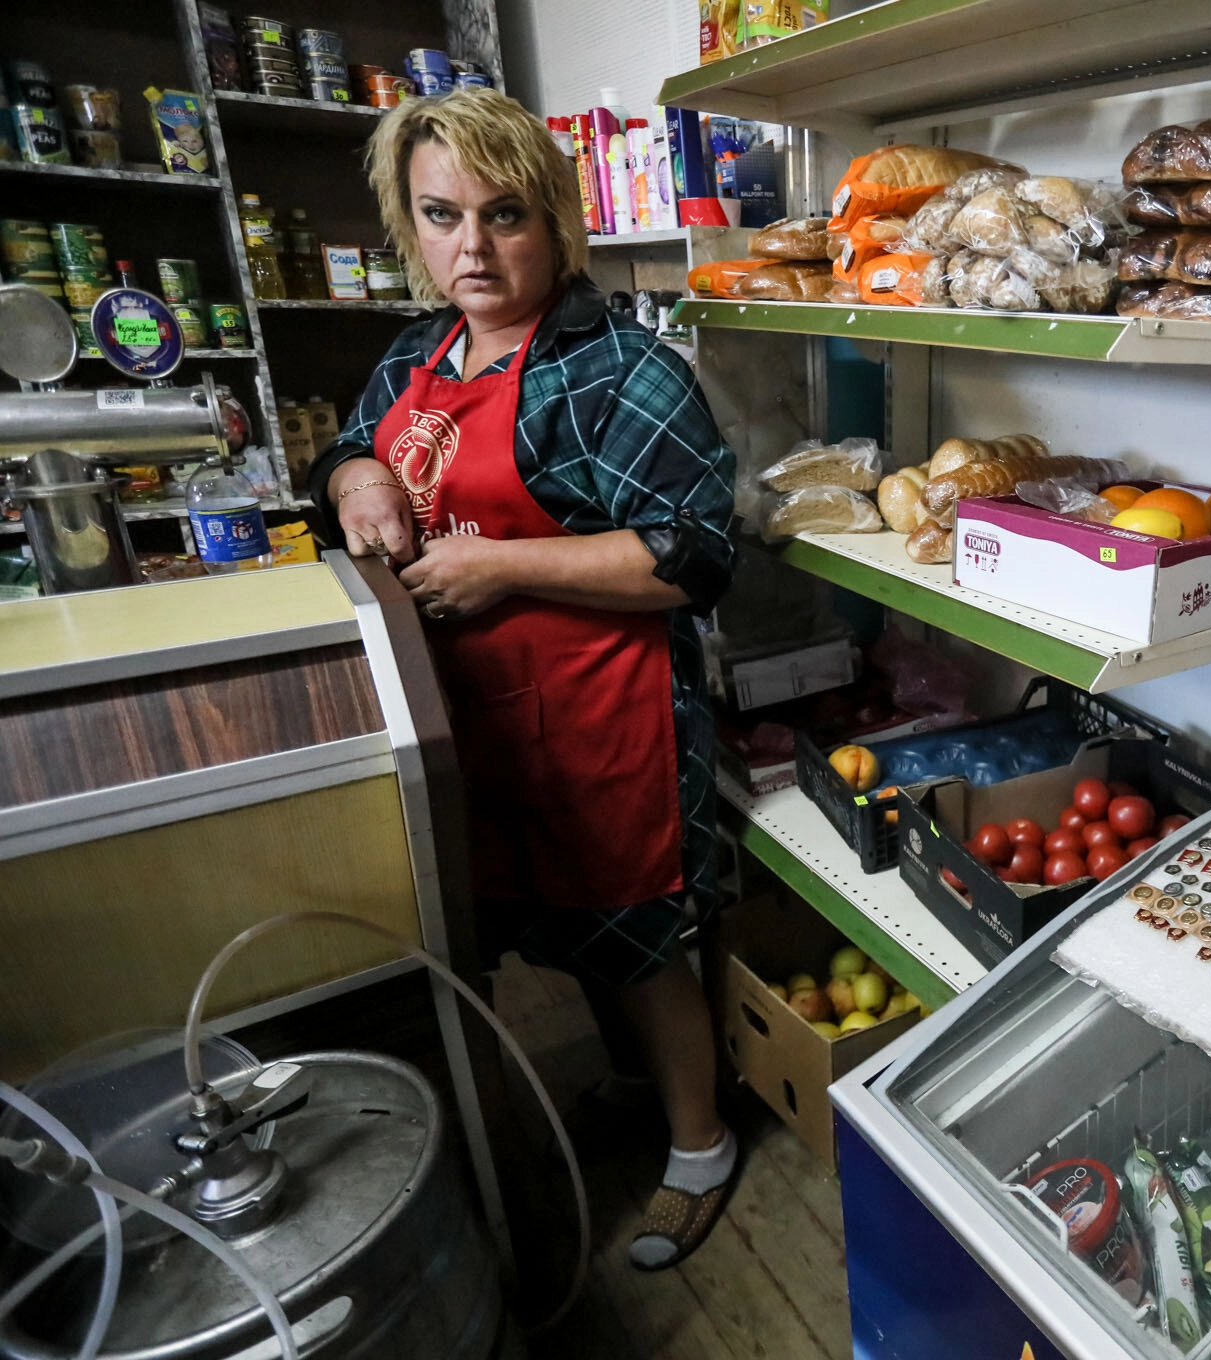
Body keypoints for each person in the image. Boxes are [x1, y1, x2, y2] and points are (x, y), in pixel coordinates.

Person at [306, 87, 737, 1271]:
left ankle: (699, 1143)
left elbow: (694, 554)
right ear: (410, 221)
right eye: (442, 215)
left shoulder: (617, 373)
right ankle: (634, 1084)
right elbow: (348, 444)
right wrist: (358, 483)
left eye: (504, 216)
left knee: (636, 936)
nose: (473, 248)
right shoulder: (418, 349)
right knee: (552, 927)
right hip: (475, 717)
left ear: (552, 219)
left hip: (602, 712)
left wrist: (500, 564)